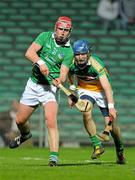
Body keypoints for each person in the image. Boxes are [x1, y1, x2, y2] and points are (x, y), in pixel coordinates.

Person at [9, 16, 74, 166]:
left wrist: (60, 80)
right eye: (61, 29)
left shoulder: (69, 51)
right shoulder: (45, 36)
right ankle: (25, 135)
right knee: (20, 120)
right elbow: (29, 53)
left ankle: (53, 157)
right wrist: (40, 62)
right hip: (33, 84)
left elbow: (64, 73)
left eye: (66, 30)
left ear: (69, 32)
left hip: (50, 89)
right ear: (55, 28)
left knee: (51, 121)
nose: (63, 32)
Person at [68, 39, 125, 164]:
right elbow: (70, 74)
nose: (80, 57)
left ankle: (120, 149)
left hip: (102, 92)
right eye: (77, 54)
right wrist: (72, 92)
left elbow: (107, 88)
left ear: (88, 53)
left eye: (83, 54)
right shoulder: (71, 63)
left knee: (112, 127)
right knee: (86, 111)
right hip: (85, 90)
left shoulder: (96, 65)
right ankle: (97, 145)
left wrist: (111, 107)